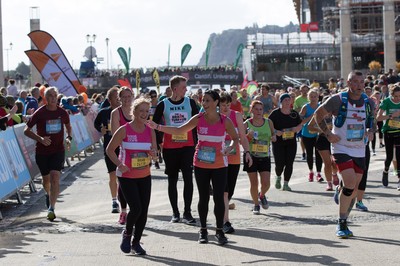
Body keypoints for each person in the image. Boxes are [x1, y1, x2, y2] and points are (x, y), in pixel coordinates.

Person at [148, 89, 240, 245]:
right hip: (201, 164)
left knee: (219, 198)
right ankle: (203, 230)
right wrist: (158, 127)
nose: (204, 104)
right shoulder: (199, 118)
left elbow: (235, 139)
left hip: (219, 165)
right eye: (203, 100)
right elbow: (179, 130)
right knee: (203, 198)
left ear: (216, 102)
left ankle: (219, 231)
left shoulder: (225, 121)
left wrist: (229, 148)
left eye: (208, 101)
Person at [314, 71, 374, 238]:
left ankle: (340, 191)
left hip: (360, 148)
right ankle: (341, 222)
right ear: (348, 83)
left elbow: (372, 121)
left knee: (354, 187)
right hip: (341, 147)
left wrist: (371, 131)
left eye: (362, 82)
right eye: (355, 82)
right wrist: (328, 134)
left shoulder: (368, 102)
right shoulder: (338, 100)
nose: (359, 85)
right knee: (350, 182)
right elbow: (317, 115)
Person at [106, 97, 157, 255]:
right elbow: (109, 150)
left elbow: (154, 153)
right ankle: (127, 234)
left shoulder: (150, 130)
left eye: (146, 111)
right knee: (136, 208)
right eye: (140, 111)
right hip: (126, 175)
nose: (143, 114)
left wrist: (153, 154)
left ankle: (136, 242)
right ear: (133, 112)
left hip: (144, 175)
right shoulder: (124, 129)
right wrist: (119, 164)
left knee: (144, 211)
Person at [152, 75, 199, 224]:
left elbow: (199, 123)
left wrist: (199, 142)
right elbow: (154, 126)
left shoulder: (190, 102)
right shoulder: (163, 104)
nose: (186, 89)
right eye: (184, 87)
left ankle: (187, 212)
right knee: (172, 180)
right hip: (170, 148)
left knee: (188, 179)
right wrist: (158, 143)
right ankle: (175, 212)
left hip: (188, 146)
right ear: (175, 89)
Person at [24, 87, 72, 221]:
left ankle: (52, 208)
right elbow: (26, 130)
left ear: (57, 97)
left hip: (58, 150)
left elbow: (68, 126)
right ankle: (48, 194)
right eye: (49, 95)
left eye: (54, 95)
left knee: (55, 177)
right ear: (45, 98)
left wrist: (69, 138)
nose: (52, 97)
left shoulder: (62, 113)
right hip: (42, 151)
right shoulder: (40, 113)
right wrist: (40, 139)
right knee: (46, 181)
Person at [218, 91, 252, 233]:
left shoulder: (236, 115)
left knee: (229, 191)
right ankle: (225, 221)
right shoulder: (214, 116)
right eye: (222, 105)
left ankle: (222, 211)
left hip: (234, 158)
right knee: (224, 192)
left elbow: (243, 137)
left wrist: (248, 152)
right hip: (219, 159)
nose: (225, 108)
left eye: (227, 104)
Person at [244, 100, 276, 214]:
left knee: (266, 183)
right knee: (254, 183)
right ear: (251, 110)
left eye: (260, 109)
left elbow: (273, 134)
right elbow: (240, 140)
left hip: (264, 156)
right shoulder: (247, 123)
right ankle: (256, 205)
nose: (258, 111)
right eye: (256, 109)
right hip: (251, 156)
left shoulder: (268, 122)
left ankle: (261, 195)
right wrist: (248, 136)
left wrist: (274, 138)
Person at [94, 87, 121, 214]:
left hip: (124, 148)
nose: (118, 100)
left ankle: (124, 199)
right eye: (116, 98)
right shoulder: (104, 113)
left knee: (123, 175)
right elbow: (96, 124)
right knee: (112, 175)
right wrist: (101, 129)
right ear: (110, 100)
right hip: (109, 147)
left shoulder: (125, 112)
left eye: (119, 97)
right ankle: (114, 200)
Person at [269, 93, 302, 191]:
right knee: (279, 164)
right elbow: (268, 125)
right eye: (285, 100)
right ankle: (278, 176)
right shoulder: (275, 114)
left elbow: (300, 124)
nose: (287, 102)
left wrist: (297, 128)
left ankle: (286, 184)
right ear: (281, 102)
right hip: (278, 143)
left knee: (289, 163)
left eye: (289, 100)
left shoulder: (294, 114)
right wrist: (275, 131)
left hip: (291, 142)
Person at [111, 86, 133, 224]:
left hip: (138, 151)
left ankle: (136, 210)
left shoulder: (137, 110)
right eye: (123, 97)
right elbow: (115, 134)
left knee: (136, 182)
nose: (126, 99)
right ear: (119, 98)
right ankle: (123, 211)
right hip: (124, 150)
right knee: (123, 182)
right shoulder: (116, 113)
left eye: (128, 96)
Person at [376, 84, 400, 190]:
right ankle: (385, 171)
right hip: (388, 132)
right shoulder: (386, 102)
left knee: (399, 156)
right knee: (389, 157)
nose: (398, 98)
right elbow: (378, 118)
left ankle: (399, 179)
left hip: (399, 131)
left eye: (399, 96)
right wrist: (391, 116)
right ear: (391, 95)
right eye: (395, 96)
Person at [299, 89, 323, 182]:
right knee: (309, 154)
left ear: (318, 97)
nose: (313, 98)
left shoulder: (321, 106)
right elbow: (301, 121)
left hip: (318, 133)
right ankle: (311, 172)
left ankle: (319, 173)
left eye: (315, 96)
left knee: (318, 154)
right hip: (307, 133)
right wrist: (312, 116)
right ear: (308, 97)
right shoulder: (306, 107)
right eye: (311, 96)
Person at [294, 84, 310, 160]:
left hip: (311, 120)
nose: (305, 92)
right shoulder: (297, 99)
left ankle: (310, 152)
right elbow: (295, 110)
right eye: (303, 90)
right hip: (302, 121)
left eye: (306, 90)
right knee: (302, 138)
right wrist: (301, 109)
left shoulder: (310, 98)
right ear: (300, 91)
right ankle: (303, 153)